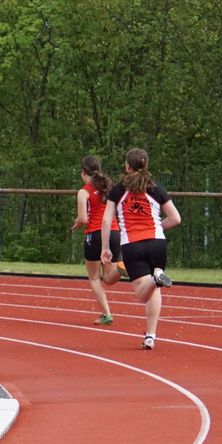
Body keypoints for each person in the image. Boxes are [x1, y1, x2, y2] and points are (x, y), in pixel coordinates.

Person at [102, 147, 181, 350]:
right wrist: (157, 227)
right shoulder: (156, 188)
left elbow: (106, 220)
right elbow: (175, 218)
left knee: (142, 294)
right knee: (153, 289)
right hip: (157, 243)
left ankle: (155, 279)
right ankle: (151, 336)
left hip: (132, 244)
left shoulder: (118, 190)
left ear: (127, 166)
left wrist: (105, 248)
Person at [71, 154, 121, 325]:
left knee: (94, 277)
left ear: (83, 172)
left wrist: (78, 222)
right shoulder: (109, 187)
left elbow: (83, 218)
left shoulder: (83, 191)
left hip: (95, 234)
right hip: (114, 232)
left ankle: (106, 314)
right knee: (108, 277)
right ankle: (125, 266)